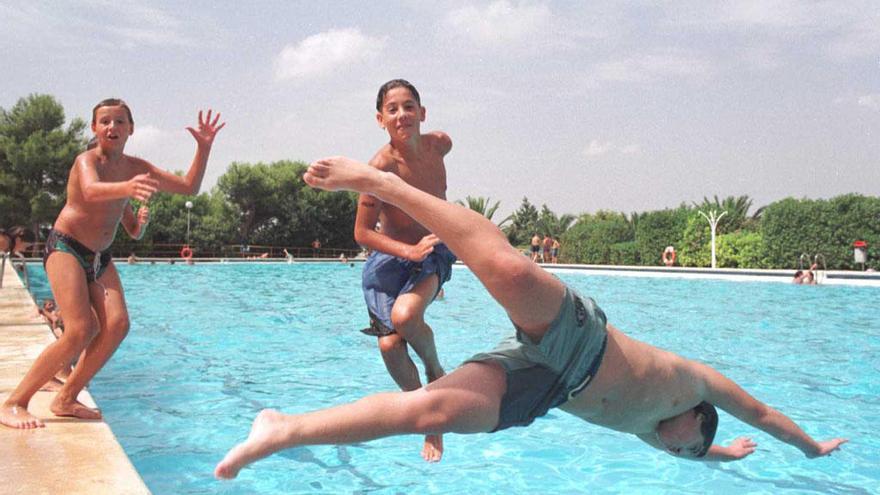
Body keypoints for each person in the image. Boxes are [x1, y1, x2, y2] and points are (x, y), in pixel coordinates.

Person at [214, 156, 846, 479]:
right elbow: (760, 415)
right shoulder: (695, 386)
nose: (678, 450)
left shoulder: (654, 432)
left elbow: (709, 455)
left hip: (544, 385)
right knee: (513, 272)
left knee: (429, 412)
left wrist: (722, 458)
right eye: (691, 446)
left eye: (682, 455)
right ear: (697, 422)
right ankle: (391, 185)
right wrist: (811, 447)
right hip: (585, 340)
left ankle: (282, 429)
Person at [0, 99, 224, 429]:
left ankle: (66, 397)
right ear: (94, 128)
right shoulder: (84, 161)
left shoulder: (136, 166)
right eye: (104, 121)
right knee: (79, 330)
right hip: (66, 247)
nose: (111, 127)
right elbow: (90, 191)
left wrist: (204, 149)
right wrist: (129, 186)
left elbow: (189, 186)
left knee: (117, 325)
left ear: (130, 129)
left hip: (100, 257)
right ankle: (15, 402)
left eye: (119, 122)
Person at [350, 79, 456, 462]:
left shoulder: (439, 145)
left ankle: (435, 370)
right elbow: (362, 233)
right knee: (390, 344)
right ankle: (425, 415)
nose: (402, 115)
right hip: (391, 259)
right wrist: (405, 250)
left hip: (431, 251)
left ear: (422, 114)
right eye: (392, 109)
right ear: (380, 119)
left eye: (409, 106)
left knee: (407, 316)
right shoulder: (378, 169)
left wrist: (424, 247)